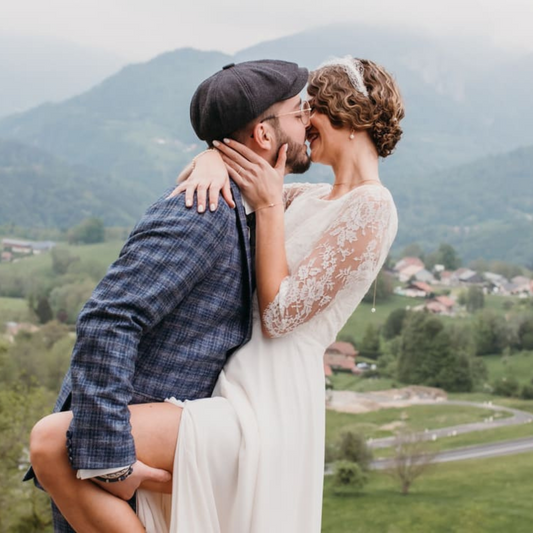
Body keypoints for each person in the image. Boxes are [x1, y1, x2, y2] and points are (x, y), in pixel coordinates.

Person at [32, 56, 404, 533]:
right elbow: (247, 172)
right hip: (230, 379)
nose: (306, 121)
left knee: (56, 443)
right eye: (301, 110)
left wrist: (270, 206)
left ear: (349, 117)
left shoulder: (372, 204)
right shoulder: (306, 196)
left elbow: (281, 316)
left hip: (273, 392)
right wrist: (212, 154)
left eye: (314, 109)